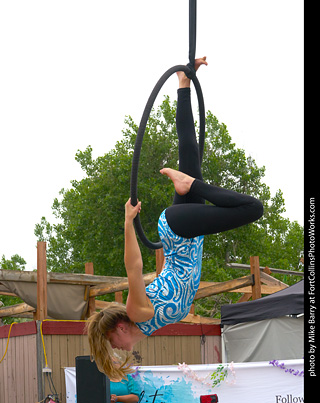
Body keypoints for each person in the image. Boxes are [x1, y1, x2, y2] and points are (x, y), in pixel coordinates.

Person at [86, 57, 263, 379]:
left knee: (252, 209)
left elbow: (134, 267)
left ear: (121, 327)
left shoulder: (138, 312)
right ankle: (183, 84)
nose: (120, 348)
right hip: (185, 235)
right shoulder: (151, 326)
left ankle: (190, 183)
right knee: (190, 150)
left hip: (179, 233)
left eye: (114, 341)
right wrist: (187, 81)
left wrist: (128, 224)